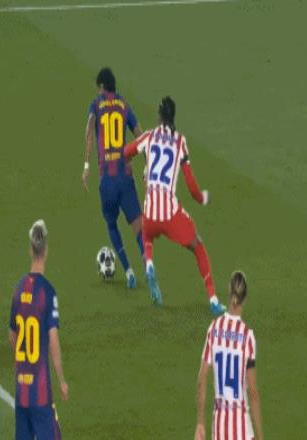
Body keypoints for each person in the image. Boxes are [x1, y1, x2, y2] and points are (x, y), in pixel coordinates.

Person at [124, 96, 225, 314]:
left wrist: (129, 162)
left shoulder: (149, 136)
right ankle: (213, 300)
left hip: (150, 213)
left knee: (146, 235)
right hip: (170, 214)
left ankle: (149, 263)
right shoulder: (180, 142)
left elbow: (126, 152)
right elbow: (192, 188)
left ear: (159, 116)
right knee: (198, 246)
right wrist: (202, 198)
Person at [83, 67, 145, 288]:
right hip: (125, 177)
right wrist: (147, 165)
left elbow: (89, 132)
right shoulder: (124, 104)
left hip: (107, 181)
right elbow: (140, 135)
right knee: (139, 229)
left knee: (112, 225)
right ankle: (149, 268)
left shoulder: (96, 104)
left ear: (101, 86)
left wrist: (86, 166)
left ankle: (128, 271)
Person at [9, 219, 69, 440]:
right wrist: (61, 380)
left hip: (21, 390)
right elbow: (53, 341)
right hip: (40, 392)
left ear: (30, 250)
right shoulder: (47, 292)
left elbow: (12, 336)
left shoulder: (18, 289)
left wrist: (20, 363)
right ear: (46, 251)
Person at [194, 271, 263, 440]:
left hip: (219, 430)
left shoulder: (214, 329)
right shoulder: (247, 337)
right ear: (244, 299)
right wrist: (260, 437)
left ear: (229, 291)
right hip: (241, 430)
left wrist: (200, 422)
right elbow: (253, 392)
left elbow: (201, 379)